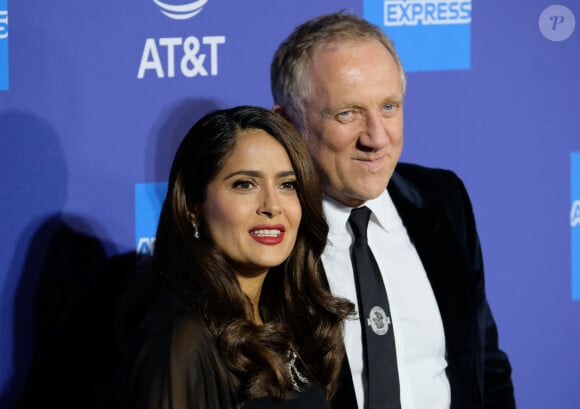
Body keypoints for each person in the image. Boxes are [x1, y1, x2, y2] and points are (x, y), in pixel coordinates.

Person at [270, 11, 516, 409]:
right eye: (347, 113)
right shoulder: (268, 237)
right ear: (287, 124)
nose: (377, 137)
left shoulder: (443, 200)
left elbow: (486, 366)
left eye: (389, 106)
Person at [122, 106, 354, 409]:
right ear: (193, 205)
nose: (272, 206)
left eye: (287, 185)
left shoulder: (290, 319)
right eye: (245, 184)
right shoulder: (184, 340)